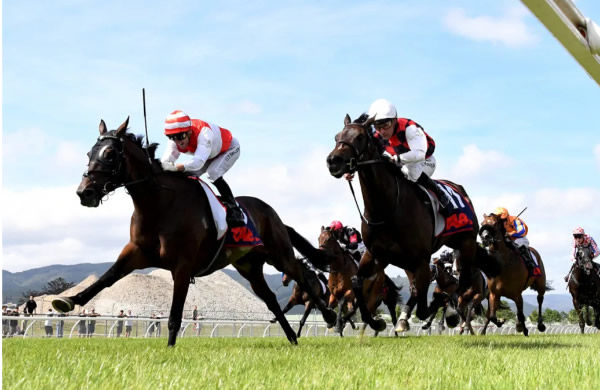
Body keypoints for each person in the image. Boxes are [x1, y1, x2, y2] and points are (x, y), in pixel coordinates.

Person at [358, 98, 452, 216]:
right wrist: (350, 169)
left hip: (425, 161)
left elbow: (419, 154)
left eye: (386, 125)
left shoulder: (410, 128)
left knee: (409, 168)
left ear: (394, 120)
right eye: (377, 126)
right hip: (402, 162)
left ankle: (441, 195)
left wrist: (396, 158)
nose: (382, 131)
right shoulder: (378, 137)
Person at [160, 110, 245, 227]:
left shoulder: (204, 133)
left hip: (229, 149)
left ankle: (234, 209)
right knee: (187, 176)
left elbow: (198, 163)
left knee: (213, 173)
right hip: (208, 154)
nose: (177, 142)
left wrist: (174, 167)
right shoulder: (175, 140)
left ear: (189, 132)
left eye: (180, 136)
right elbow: (166, 162)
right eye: (172, 137)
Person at [492, 207, 541, 277]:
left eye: (502, 218)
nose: (502, 220)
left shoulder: (515, 220)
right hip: (507, 241)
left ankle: (532, 266)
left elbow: (522, 231)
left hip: (519, 238)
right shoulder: (496, 223)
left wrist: (511, 234)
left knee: (520, 245)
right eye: (499, 218)